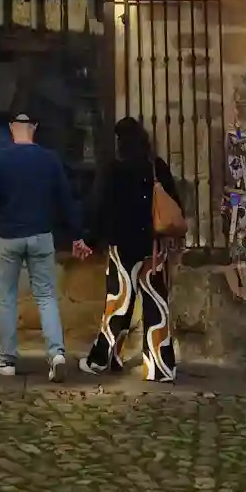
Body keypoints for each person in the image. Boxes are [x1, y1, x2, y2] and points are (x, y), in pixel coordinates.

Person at [0, 110, 90, 381]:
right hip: (41, 234)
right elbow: (66, 200)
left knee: (7, 297)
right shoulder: (50, 160)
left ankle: (7, 359)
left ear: (11, 128)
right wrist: (77, 234)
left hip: (8, 234)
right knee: (46, 296)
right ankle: (56, 354)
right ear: (35, 128)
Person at [80, 117, 182, 382]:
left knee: (118, 304)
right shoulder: (156, 167)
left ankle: (103, 358)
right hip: (154, 246)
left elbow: (99, 208)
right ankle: (160, 367)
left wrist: (90, 240)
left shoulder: (114, 169)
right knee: (156, 306)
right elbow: (175, 203)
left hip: (124, 246)